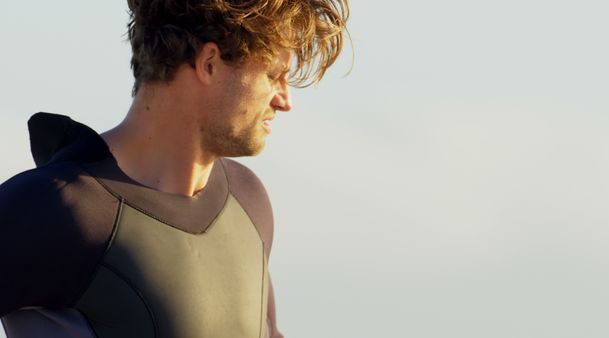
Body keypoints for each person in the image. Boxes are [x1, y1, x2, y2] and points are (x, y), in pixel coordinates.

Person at [0, 0, 349, 337]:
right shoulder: (55, 207)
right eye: (275, 75)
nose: (285, 101)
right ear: (209, 63)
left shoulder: (248, 201)